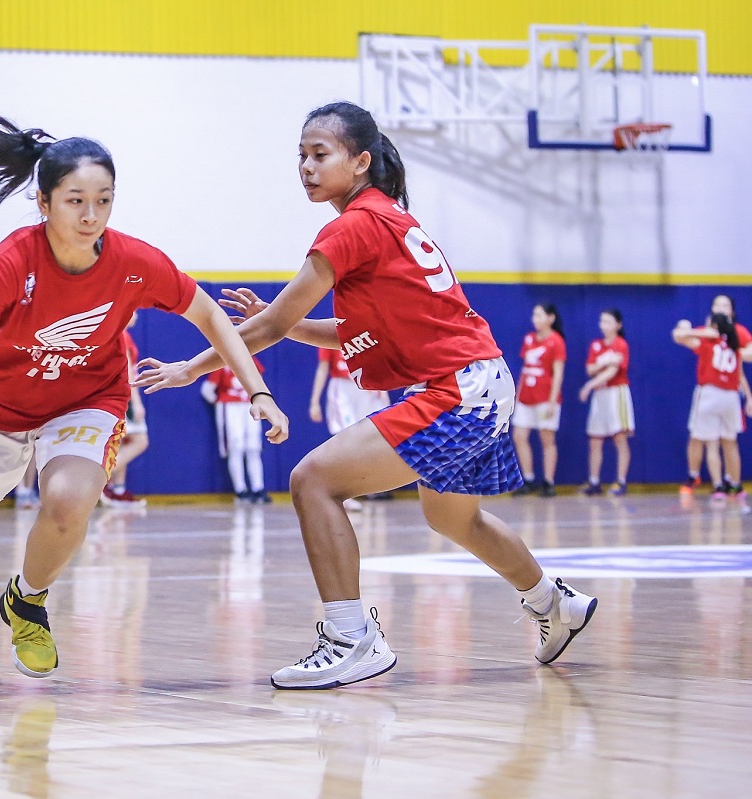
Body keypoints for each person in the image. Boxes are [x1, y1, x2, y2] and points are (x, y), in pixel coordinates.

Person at [136, 101, 597, 690]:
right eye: (300, 155)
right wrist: (286, 322)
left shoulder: (350, 227)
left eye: (319, 154)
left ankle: (352, 637)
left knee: (313, 481)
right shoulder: (387, 219)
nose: (305, 166)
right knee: (454, 519)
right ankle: (554, 604)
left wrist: (190, 367)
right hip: (481, 383)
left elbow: (270, 326)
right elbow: (345, 331)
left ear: (359, 162)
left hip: (456, 389)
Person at [0, 110, 286, 684]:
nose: (91, 214)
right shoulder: (9, 262)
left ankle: (27, 600)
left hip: (85, 400)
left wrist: (259, 391)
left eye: (104, 200)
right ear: (44, 203)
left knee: (71, 499)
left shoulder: (135, 263)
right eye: (75, 200)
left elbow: (212, 318)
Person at [681, 294, 752, 495]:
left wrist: (749, 397)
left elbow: (745, 364)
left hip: (728, 394)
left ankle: (730, 483)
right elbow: (680, 337)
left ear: (732, 312)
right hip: (711, 391)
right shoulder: (708, 334)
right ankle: (704, 479)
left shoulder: (737, 333)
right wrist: (689, 330)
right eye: (717, 304)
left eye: (725, 305)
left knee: (726, 441)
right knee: (705, 439)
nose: (721, 308)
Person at [307, 347, 390, 509]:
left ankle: (372, 486)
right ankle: (343, 492)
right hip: (342, 387)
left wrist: (383, 388)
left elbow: (377, 361)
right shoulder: (329, 332)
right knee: (344, 439)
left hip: (365, 386)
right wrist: (314, 401)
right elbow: (322, 368)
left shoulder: (364, 330)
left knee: (368, 437)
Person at [511, 303, 566, 497]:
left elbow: (558, 373)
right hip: (526, 397)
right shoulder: (528, 339)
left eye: (539, 315)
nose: (535, 319)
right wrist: (517, 397)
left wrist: (552, 401)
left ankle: (548, 482)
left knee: (547, 439)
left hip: (545, 398)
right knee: (519, 435)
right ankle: (528, 478)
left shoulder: (556, 341)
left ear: (550, 318)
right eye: (534, 314)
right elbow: (524, 370)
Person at [578, 309, 633, 497]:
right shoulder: (596, 345)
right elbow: (590, 368)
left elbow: (612, 371)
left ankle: (621, 481)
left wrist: (589, 386)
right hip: (600, 396)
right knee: (595, 439)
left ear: (618, 325)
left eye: (609, 321)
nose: (604, 325)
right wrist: (603, 363)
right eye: (602, 321)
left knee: (620, 437)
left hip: (616, 394)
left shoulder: (621, 344)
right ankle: (594, 481)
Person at [202, 360, 270, 503]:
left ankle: (258, 488)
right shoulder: (220, 360)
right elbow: (207, 390)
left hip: (249, 406)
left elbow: (259, 382)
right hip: (230, 407)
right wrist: (220, 401)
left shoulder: (250, 359)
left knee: (253, 447)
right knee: (236, 447)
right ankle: (241, 490)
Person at [101, 312, 148, 506]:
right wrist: (136, 401)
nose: (136, 315)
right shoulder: (122, 335)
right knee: (141, 441)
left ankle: (117, 490)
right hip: (124, 398)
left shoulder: (117, 335)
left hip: (115, 397)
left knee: (119, 443)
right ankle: (100, 480)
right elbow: (127, 371)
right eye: (133, 311)